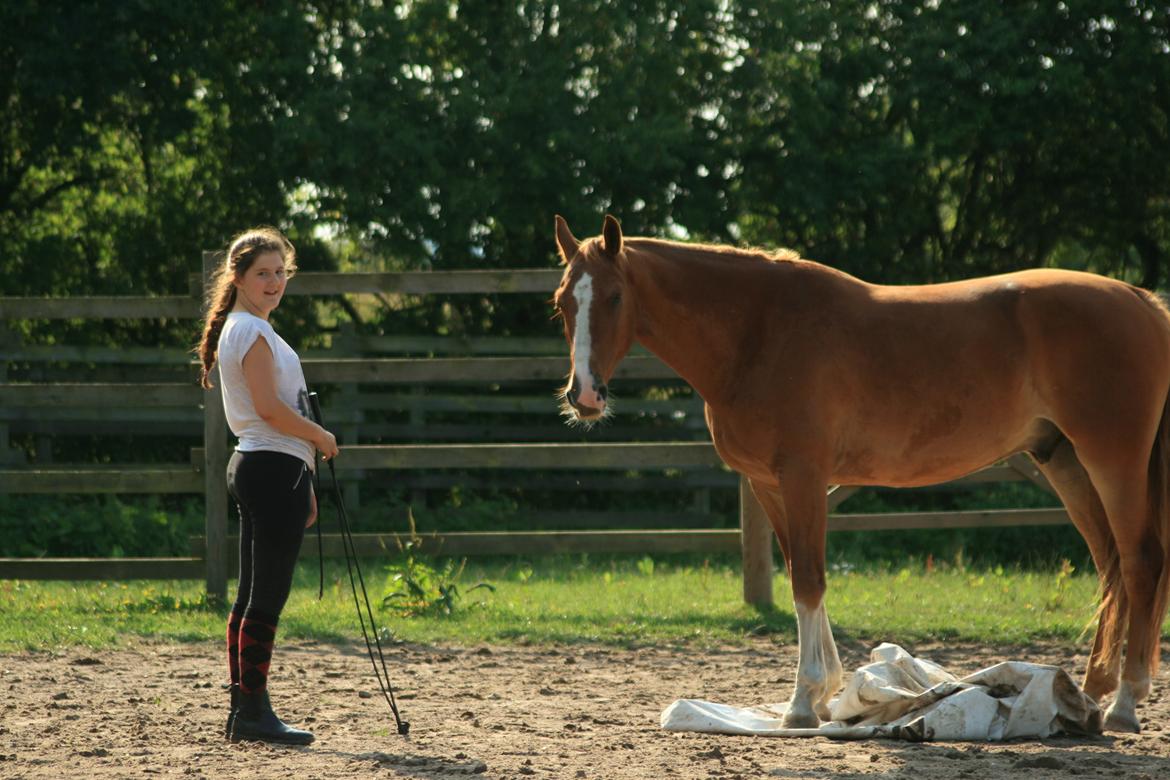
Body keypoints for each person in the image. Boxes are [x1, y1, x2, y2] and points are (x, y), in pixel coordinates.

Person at [196, 227, 340, 745]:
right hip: (270, 467)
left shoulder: (242, 327)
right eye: (263, 273)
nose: (275, 282)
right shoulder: (252, 333)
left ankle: (244, 709)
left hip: (266, 468)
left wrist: (305, 476)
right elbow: (270, 410)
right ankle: (254, 714)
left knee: (249, 597)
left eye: (281, 273)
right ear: (238, 277)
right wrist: (320, 436)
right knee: (266, 598)